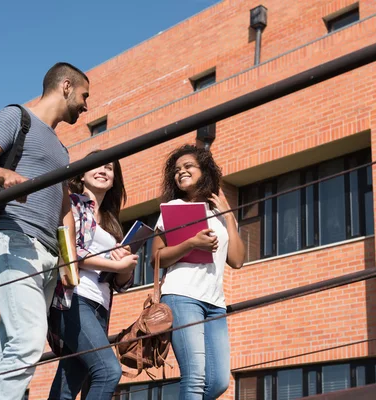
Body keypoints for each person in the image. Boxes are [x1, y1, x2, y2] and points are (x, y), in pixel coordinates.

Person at [0, 62, 90, 400]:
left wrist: (69, 262)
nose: (86, 105)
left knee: (9, 346)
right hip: (14, 241)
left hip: (48, 257)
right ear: (66, 86)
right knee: (29, 339)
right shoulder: (17, 117)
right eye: (84, 95)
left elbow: (64, 210)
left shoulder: (62, 150)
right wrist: (7, 177)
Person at [151, 144, 246, 399]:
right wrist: (191, 244)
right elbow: (156, 258)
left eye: (188, 166)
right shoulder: (173, 207)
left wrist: (229, 216)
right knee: (195, 377)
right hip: (181, 296)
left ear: (205, 171)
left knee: (217, 382)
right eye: (177, 170)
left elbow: (237, 260)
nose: (180, 172)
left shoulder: (220, 213)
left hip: (215, 304)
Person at [47, 150, 138, 400]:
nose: (103, 171)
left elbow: (120, 284)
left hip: (100, 305)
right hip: (73, 298)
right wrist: (114, 266)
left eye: (109, 168)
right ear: (83, 175)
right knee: (108, 371)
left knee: (66, 389)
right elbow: (69, 253)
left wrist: (126, 267)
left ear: (114, 179)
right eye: (96, 166)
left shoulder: (111, 222)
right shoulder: (73, 204)